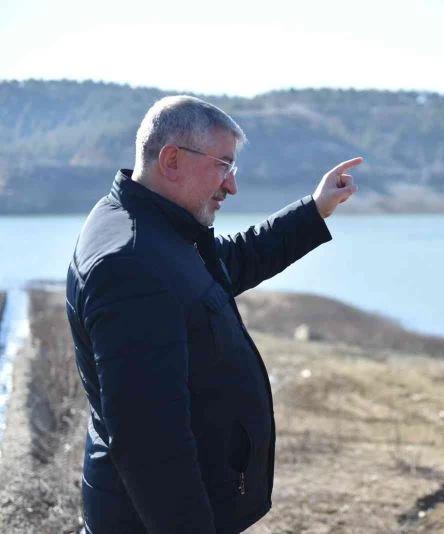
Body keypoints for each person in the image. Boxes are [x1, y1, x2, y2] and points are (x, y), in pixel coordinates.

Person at [66, 95, 361, 534]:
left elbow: (229, 265)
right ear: (171, 160)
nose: (232, 185)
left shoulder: (157, 230)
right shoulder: (132, 264)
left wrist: (314, 209)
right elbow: (151, 446)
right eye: (224, 166)